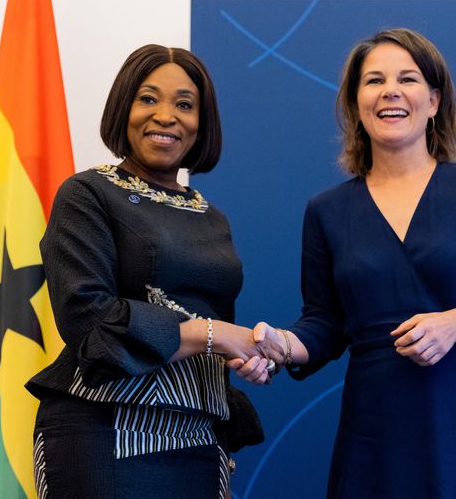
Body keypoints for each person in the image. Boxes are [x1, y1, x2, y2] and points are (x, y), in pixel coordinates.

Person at [229, 29, 456, 498]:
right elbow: (325, 323)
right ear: (357, 104)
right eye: (374, 80)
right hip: (372, 429)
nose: (390, 91)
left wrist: (455, 324)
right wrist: (280, 347)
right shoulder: (327, 211)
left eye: (408, 79)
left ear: (434, 101)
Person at [26, 44, 277, 498]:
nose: (166, 115)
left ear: (202, 124)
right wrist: (215, 334)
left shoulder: (212, 216)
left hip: (201, 430)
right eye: (148, 98)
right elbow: (88, 321)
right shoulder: (87, 194)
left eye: (184, 104)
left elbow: (212, 324)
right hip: (104, 426)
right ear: (124, 107)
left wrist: (246, 355)